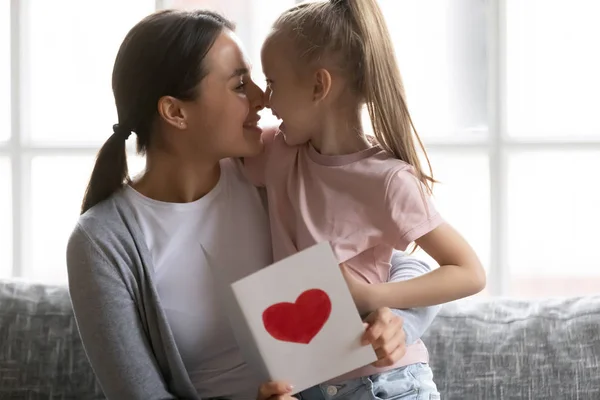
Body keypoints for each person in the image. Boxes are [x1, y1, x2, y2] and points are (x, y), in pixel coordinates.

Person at [66, 9, 440, 400]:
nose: (263, 97)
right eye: (240, 84)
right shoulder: (102, 241)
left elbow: (398, 262)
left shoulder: (273, 169)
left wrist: (397, 321)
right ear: (176, 112)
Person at [243, 0, 487, 398]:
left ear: (319, 86)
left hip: (389, 384)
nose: (266, 100)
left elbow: (469, 271)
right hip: (313, 385)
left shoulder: (387, 181)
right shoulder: (277, 152)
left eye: (273, 83)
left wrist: (373, 296)